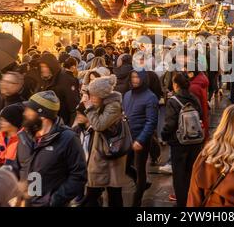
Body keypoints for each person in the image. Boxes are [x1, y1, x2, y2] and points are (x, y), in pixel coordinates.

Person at [15, 91, 87, 207]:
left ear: (42, 115)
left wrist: (55, 200)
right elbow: (17, 165)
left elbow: (78, 176)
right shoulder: (24, 135)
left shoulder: (68, 138)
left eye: (29, 110)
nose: (25, 113)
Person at [80, 76, 128, 207]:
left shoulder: (113, 106)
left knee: (111, 193)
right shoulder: (102, 104)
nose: (92, 98)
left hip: (110, 154)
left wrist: (89, 108)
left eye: (94, 95)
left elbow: (99, 125)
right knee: (102, 191)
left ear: (102, 95)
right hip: (102, 153)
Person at [162, 73, 203, 207]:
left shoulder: (173, 101)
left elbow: (170, 123)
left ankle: (182, 202)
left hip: (179, 142)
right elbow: (200, 115)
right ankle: (193, 201)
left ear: (175, 84)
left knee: (179, 175)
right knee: (192, 173)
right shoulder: (194, 98)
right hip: (195, 141)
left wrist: (165, 136)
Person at [123, 70, 159, 207]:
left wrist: (141, 140)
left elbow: (151, 122)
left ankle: (136, 201)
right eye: (132, 76)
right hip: (128, 138)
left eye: (137, 77)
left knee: (140, 169)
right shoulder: (127, 95)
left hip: (141, 139)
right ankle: (142, 183)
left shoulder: (150, 97)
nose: (134, 79)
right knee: (125, 168)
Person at [35, 53, 81, 126]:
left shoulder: (66, 80)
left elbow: (74, 107)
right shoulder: (42, 80)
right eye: (41, 67)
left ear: (52, 67)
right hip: (45, 125)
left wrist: (71, 128)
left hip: (61, 125)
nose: (43, 69)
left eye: (45, 67)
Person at [188, 70, 210, 140]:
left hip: (196, 122)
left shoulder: (193, 87)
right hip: (203, 118)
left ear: (192, 73)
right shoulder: (201, 81)